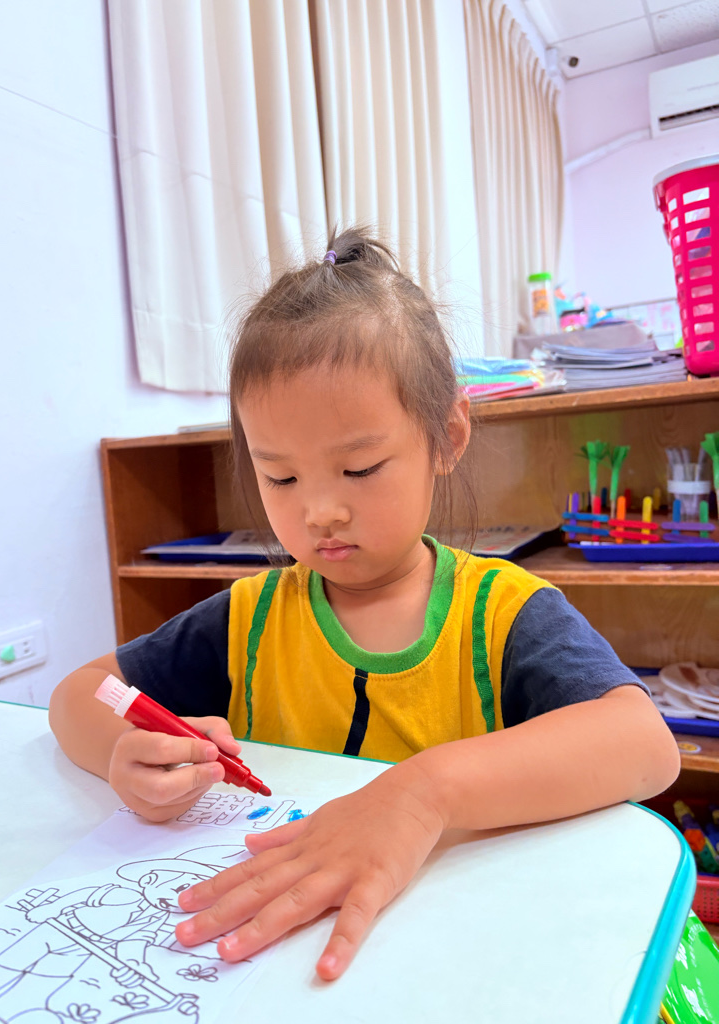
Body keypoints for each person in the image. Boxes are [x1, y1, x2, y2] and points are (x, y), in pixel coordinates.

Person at [50, 227, 680, 983]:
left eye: (359, 468)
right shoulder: (250, 619)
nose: (320, 511)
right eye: (281, 478)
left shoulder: (502, 613)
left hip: (451, 960)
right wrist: (123, 759)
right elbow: (80, 695)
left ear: (445, 437)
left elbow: (645, 745)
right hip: (290, 965)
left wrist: (423, 797)